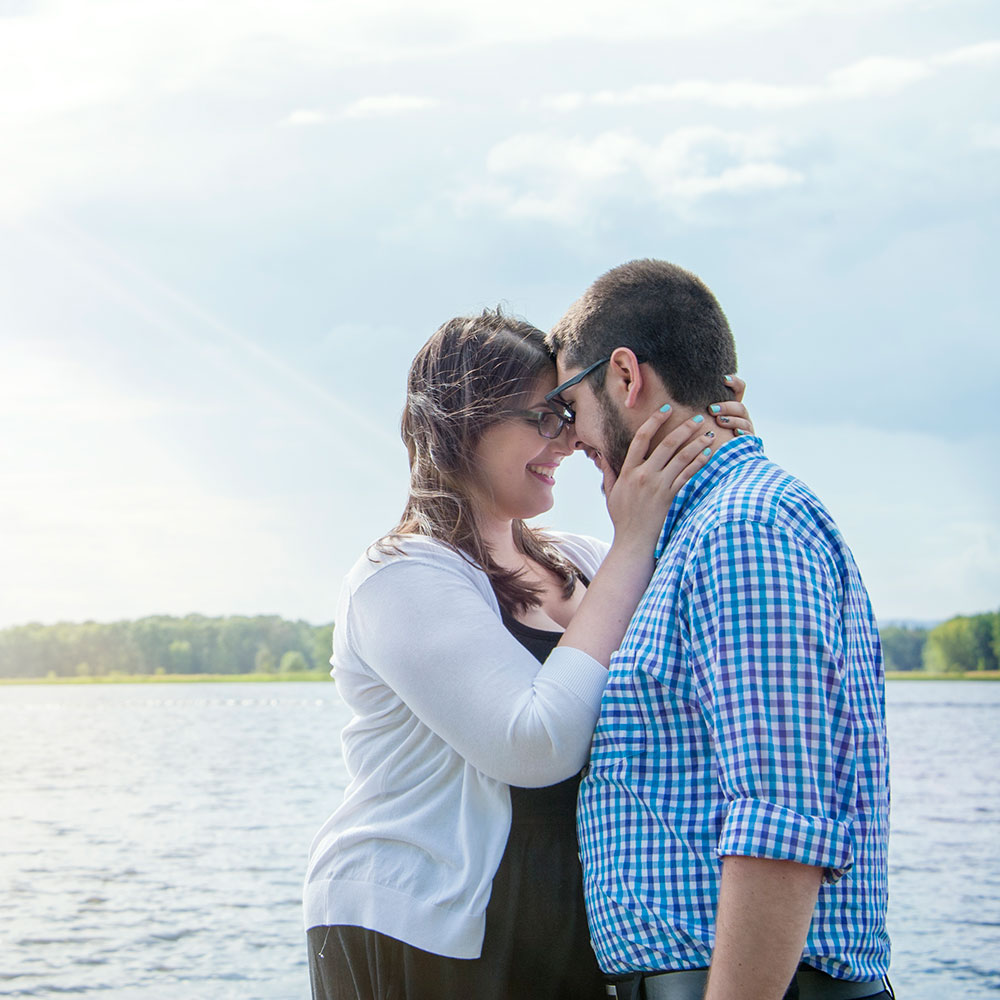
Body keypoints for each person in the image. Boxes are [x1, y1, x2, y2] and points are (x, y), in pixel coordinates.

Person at [303, 308, 751, 1000]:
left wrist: (711, 449)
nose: (568, 442)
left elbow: (709, 598)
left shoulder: (580, 561)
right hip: (424, 928)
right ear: (465, 421)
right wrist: (633, 539)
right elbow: (533, 745)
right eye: (545, 417)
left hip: (563, 918)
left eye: (569, 416)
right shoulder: (399, 575)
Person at [545, 259, 892, 1000]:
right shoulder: (701, 531)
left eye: (568, 402)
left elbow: (782, 826)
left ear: (626, 377)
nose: (569, 439)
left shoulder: (742, 530)